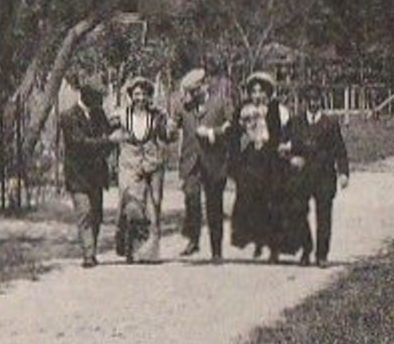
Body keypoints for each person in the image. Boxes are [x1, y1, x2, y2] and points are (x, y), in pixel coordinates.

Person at [172, 67, 238, 261]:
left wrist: (212, 133)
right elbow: (172, 128)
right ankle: (193, 239)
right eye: (189, 92)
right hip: (191, 162)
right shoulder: (185, 106)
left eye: (194, 91)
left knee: (214, 206)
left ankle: (216, 251)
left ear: (204, 86)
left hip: (214, 161)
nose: (191, 95)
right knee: (191, 199)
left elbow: (232, 126)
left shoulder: (220, 102)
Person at [282, 85, 350, 266]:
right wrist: (290, 158)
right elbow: (281, 146)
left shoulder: (330, 124)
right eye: (310, 100)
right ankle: (306, 248)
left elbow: (340, 150)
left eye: (316, 99)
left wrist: (343, 173)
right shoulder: (295, 122)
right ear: (304, 102)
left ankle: (322, 255)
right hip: (301, 176)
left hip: (324, 176)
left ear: (321, 100)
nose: (313, 103)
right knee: (297, 212)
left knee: (324, 216)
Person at [60, 76, 121, 268]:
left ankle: (91, 248)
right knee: (84, 212)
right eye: (97, 97)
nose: (100, 102)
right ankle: (89, 254)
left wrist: (117, 128)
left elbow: (105, 138)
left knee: (96, 214)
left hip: (96, 175)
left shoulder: (99, 114)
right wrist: (109, 141)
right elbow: (80, 144)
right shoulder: (68, 116)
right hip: (77, 175)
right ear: (85, 95)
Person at [115, 75, 176, 262]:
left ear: (149, 96)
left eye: (144, 94)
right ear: (131, 96)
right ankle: (130, 248)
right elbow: (111, 135)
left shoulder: (157, 115)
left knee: (154, 205)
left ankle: (150, 252)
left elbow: (167, 138)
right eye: (136, 94)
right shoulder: (121, 115)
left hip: (153, 163)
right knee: (132, 206)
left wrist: (171, 129)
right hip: (129, 164)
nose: (140, 98)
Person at [230, 71, 285, 260]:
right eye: (253, 92)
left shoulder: (276, 109)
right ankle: (257, 241)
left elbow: (281, 134)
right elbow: (234, 135)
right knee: (253, 203)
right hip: (251, 161)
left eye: (261, 91)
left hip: (270, 161)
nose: (257, 95)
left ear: (268, 93)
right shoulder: (243, 110)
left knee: (272, 203)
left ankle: (274, 246)